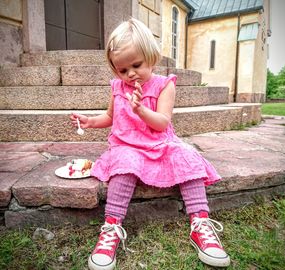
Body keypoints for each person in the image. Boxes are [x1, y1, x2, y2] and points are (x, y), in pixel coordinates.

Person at [70, 18, 230, 270]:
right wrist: (90, 121)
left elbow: (162, 122)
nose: (130, 74)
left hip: (159, 142)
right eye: (122, 70)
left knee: (186, 155)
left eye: (136, 65)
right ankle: (111, 227)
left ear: (151, 56)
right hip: (127, 146)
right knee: (124, 162)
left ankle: (200, 224)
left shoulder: (164, 85)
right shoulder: (117, 88)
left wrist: (141, 110)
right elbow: (111, 117)